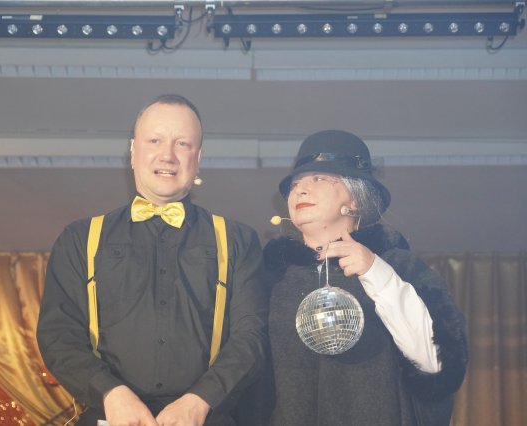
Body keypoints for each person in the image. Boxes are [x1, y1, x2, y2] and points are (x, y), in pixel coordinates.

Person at [36, 94, 268, 426]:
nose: (167, 155)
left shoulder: (238, 240)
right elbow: (58, 335)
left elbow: (251, 338)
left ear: (198, 158)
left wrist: (200, 400)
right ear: (133, 151)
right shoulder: (79, 239)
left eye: (183, 144)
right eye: (155, 140)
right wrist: (110, 393)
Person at [262, 130, 468, 425]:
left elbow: (437, 363)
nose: (301, 190)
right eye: (295, 184)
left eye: (318, 179)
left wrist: (375, 272)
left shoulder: (399, 267)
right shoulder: (271, 277)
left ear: (355, 199)